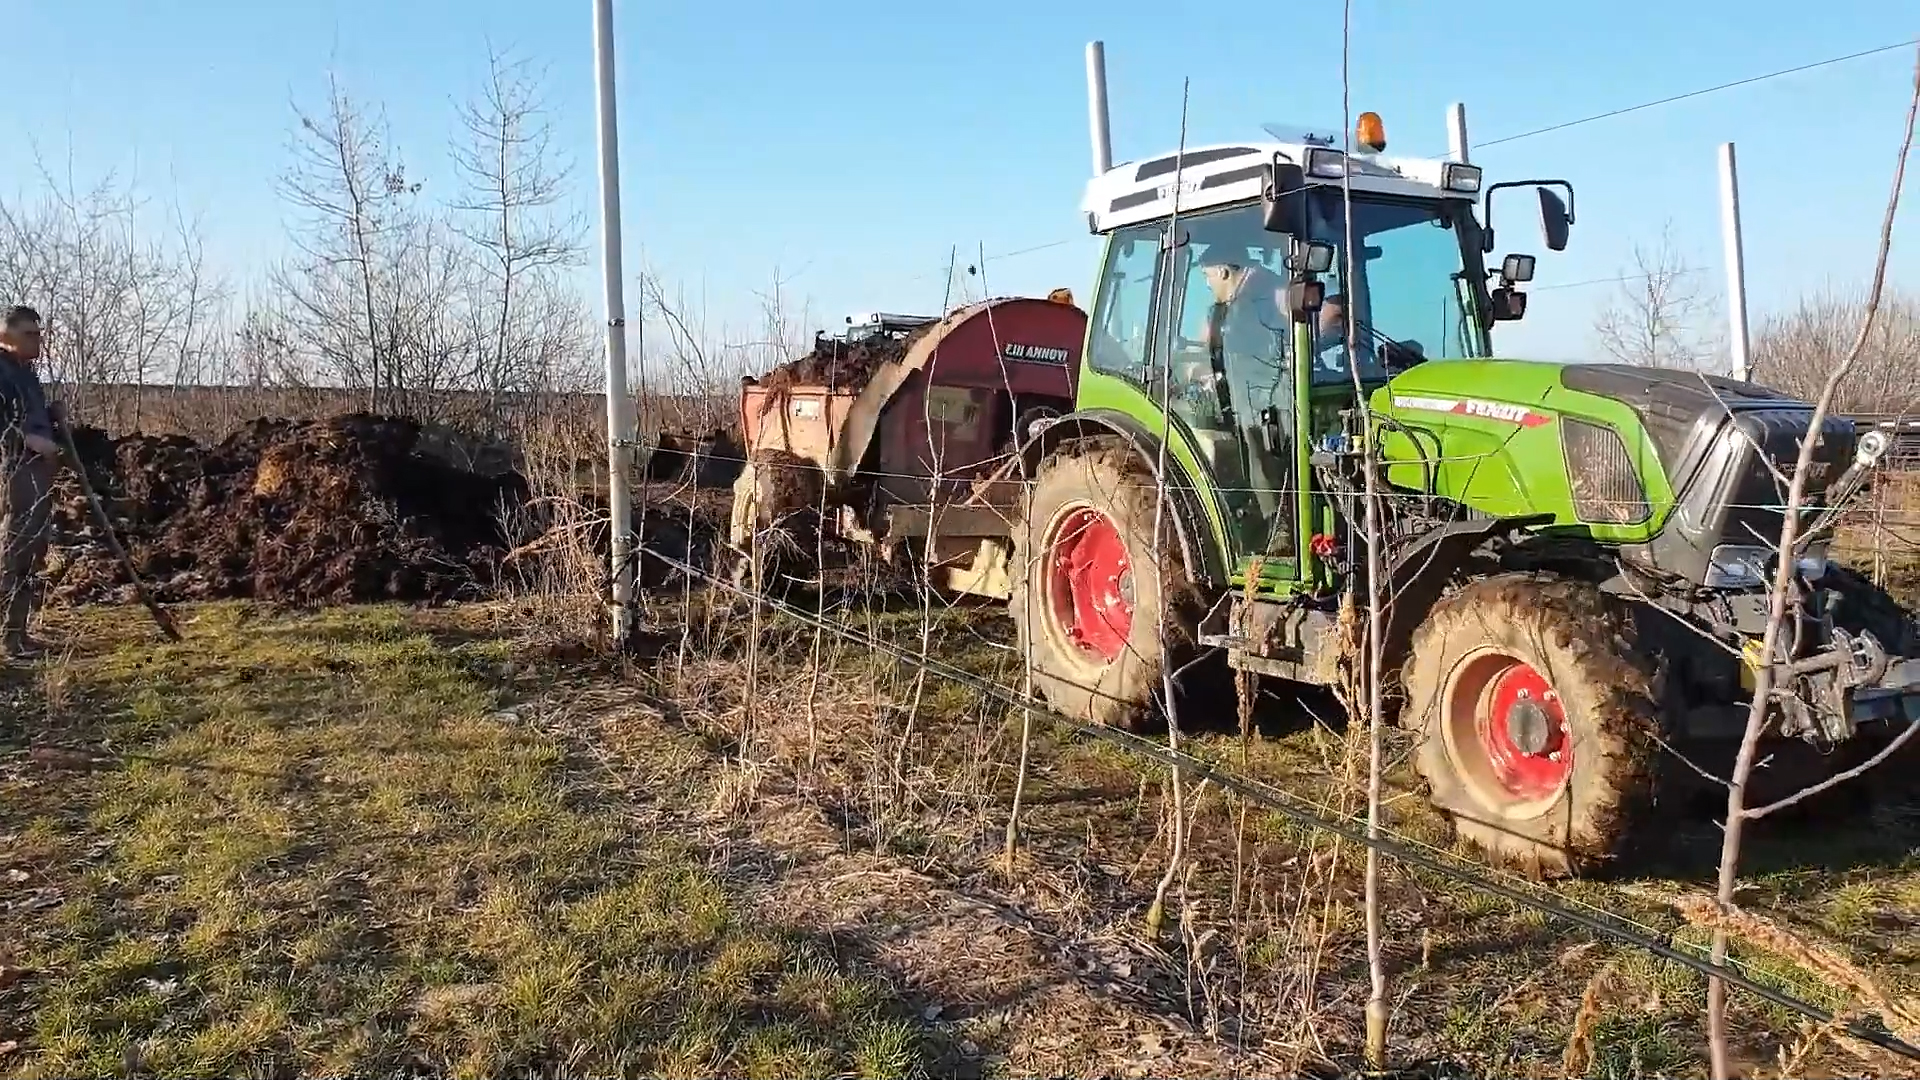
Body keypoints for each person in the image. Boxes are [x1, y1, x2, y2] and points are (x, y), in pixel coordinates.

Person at [0, 305, 59, 661]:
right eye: (29, 334)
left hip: (39, 473)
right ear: (5, 337)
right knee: (16, 550)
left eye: (39, 334)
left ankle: (19, 634)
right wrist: (28, 439)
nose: (37, 341)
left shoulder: (27, 373)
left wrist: (51, 417)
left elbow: (26, 413)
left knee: (33, 550)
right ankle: (9, 639)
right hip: (15, 470)